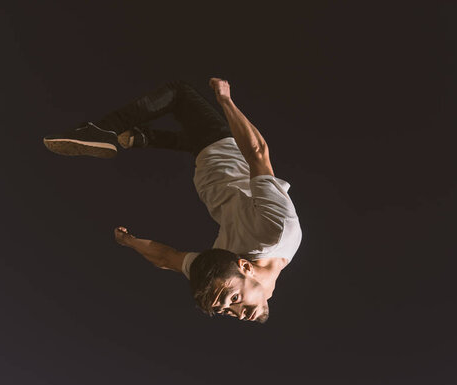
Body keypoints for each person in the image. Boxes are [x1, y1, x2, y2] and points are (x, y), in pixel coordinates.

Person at [43, 78, 302, 323]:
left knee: (197, 139)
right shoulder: (276, 230)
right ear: (244, 266)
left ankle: (143, 138)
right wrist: (226, 100)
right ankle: (104, 131)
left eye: (225, 309)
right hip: (219, 155)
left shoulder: (218, 268)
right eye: (234, 299)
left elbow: (168, 259)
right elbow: (256, 153)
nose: (238, 312)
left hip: (214, 166)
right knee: (179, 94)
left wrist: (131, 242)